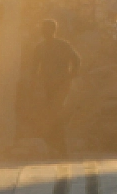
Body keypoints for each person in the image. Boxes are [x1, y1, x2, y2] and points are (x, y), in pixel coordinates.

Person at [26, 20, 82, 156]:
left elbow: (76, 60)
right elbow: (34, 69)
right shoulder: (41, 47)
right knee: (52, 112)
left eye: (46, 29)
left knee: (55, 111)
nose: (44, 32)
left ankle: (60, 146)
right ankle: (56, 144)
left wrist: (71, 75)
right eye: (43, 29)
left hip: (60, 85)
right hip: (48, 86)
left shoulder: (61, 45)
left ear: (53, 30)